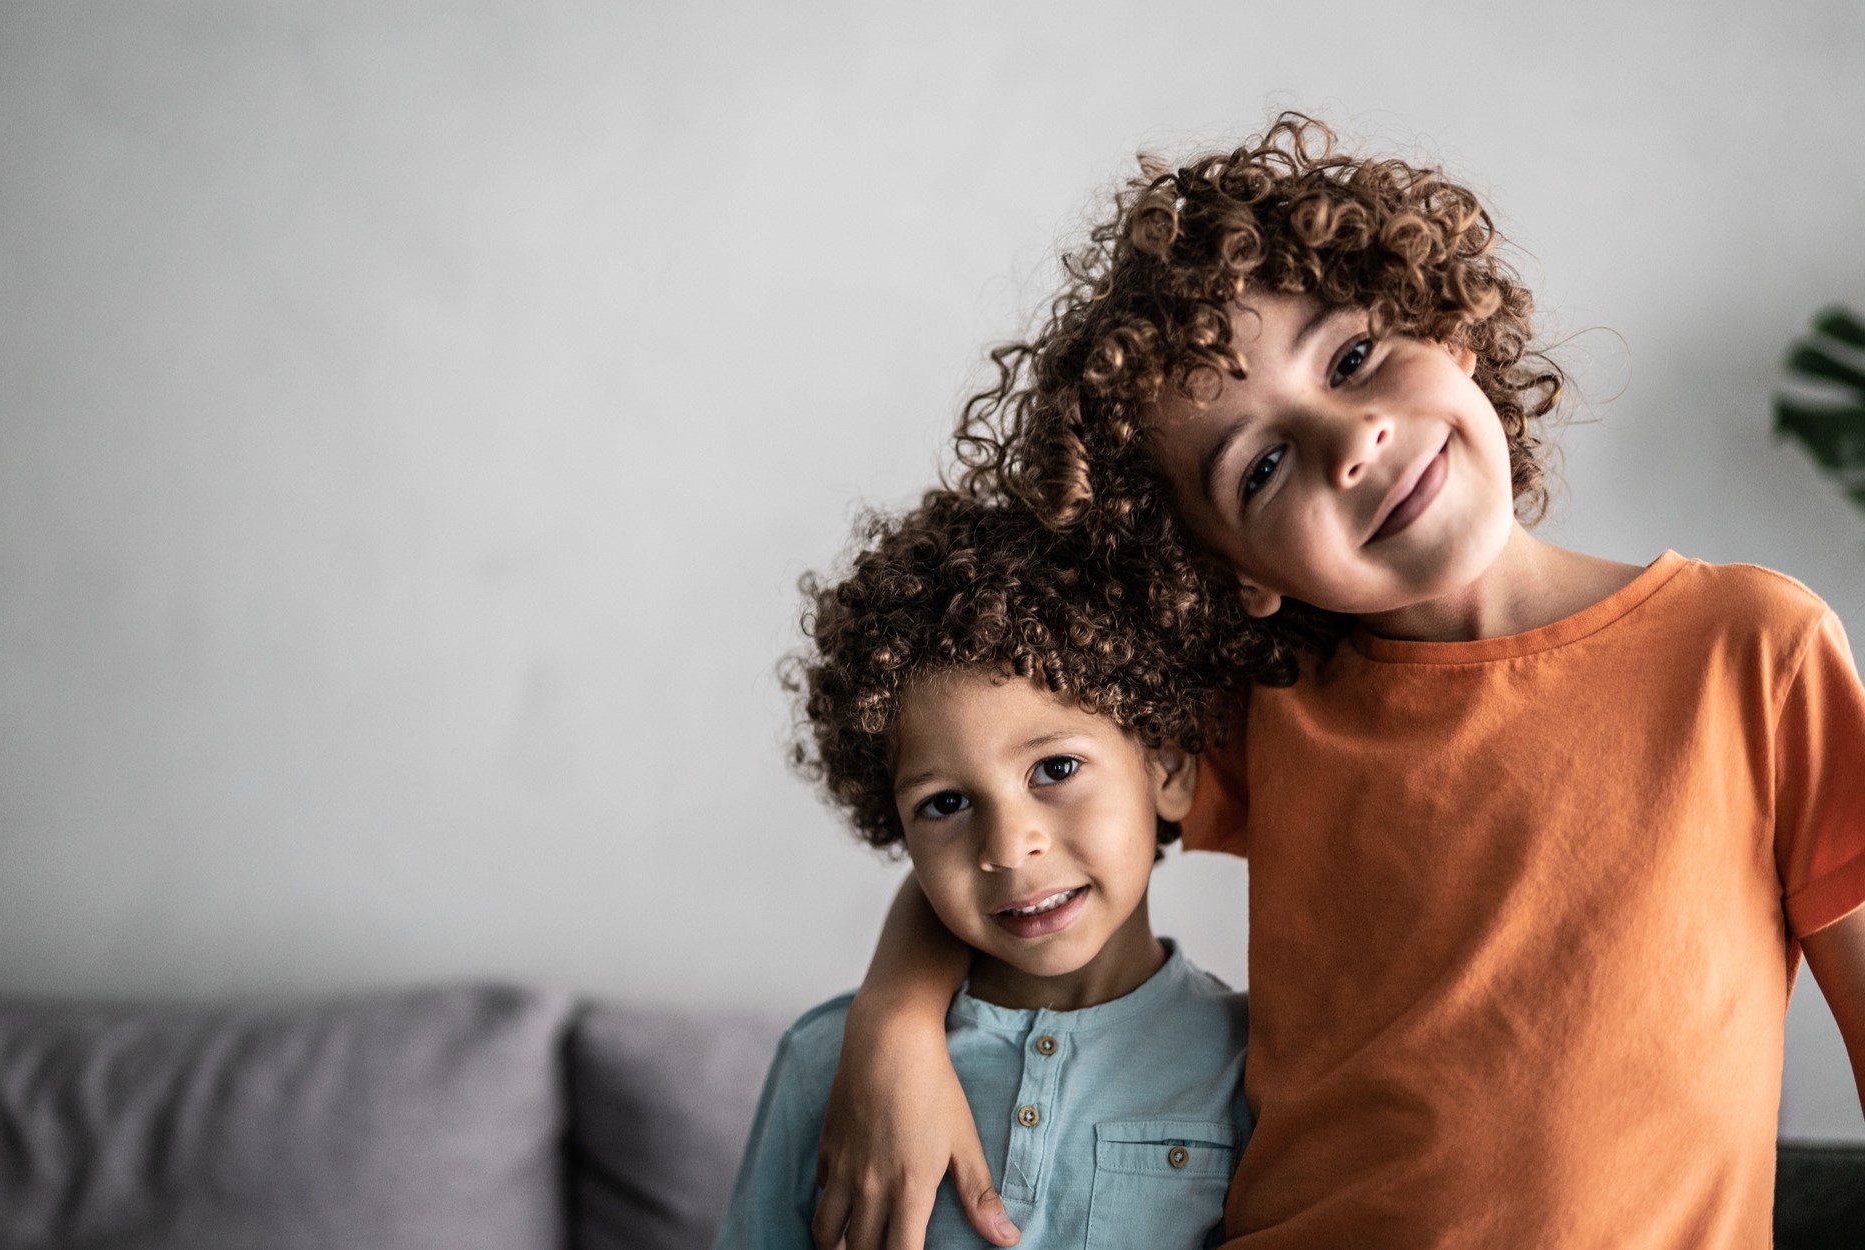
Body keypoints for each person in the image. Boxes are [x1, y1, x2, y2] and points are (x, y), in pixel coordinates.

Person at [809, 115, 1865, 1250]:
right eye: (1258, 468)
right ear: (1237, 577)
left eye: (1350, 357)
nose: (1348, 439)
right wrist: (892, 1026)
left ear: (1444, 328)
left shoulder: (1750, 650)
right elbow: (1008, 831)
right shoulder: (1266, 707)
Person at [715, 491, 1256, 1250]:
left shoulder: (1248, 1066)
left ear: (1165, 764)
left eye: (1055, 767)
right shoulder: (828, 1062)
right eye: (945, 804)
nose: (1007, 846)